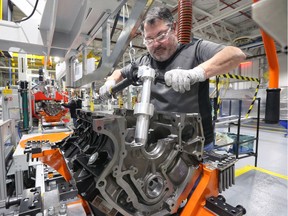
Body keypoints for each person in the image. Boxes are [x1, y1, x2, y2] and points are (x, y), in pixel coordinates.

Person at [99, 6, 246, 151]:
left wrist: (196, 73)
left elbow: (235, 54)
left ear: (174, 28)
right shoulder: (145, 61)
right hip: (159, 145)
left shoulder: (195, 50)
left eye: (161, 35)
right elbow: (119, 73)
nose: (156, 44)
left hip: (195, 144)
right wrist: (110, 82)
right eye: (149, 40)